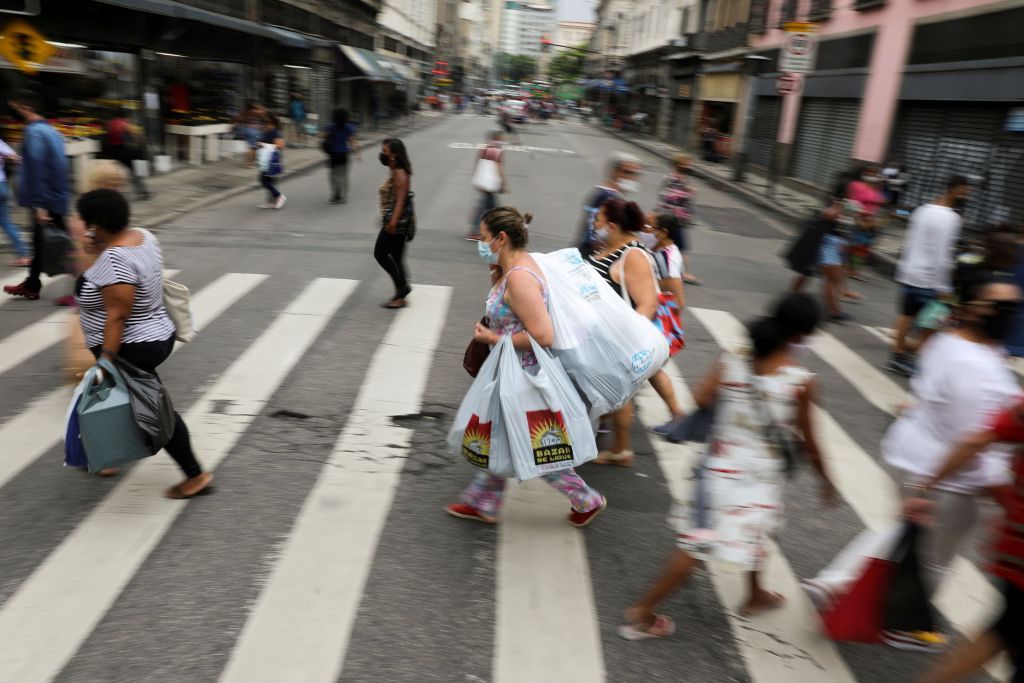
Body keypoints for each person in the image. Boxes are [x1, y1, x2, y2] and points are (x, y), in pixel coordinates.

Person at [619, 293, 834, 639]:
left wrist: (739, 399)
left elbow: (702, 398)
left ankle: (755, 593)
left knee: (758, 530)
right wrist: (827, 482)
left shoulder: (735, 357)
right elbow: (811, 442)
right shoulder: (800, 382)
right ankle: (644, 610)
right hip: (753, 480)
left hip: (717, 471)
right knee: (697, 547)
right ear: (801, 336)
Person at [880, 277, 1021, 650]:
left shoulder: (952, 341)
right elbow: (973, 441)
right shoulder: (979, 367)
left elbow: (928, 394)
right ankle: (903, 625)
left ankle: (842, 588)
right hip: (947, 478)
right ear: (975, 308)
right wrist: (1006, 500)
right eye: (1002, 307)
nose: (1010, 315)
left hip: (916, 458)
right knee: (934, 557)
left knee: (912, 541)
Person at [445, 206, 606, 526]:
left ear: (501, 238)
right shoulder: (514, 267)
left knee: (537, 447)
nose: (480, 242)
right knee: (500, 433)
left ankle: (586, 498)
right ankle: (484, 500)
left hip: (524, 374)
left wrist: (493, 336)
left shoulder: (520, 277)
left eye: (484, 237)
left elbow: (544, 334)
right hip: (511, 369)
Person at [74, 189, 213, 498]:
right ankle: (105, 457)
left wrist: (107, 359)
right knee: (118, 400)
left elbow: (118, 316)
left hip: (131, 345)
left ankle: (195, 475)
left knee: (154, 411)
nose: (85, 228)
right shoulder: (144, 237)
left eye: (88, 223)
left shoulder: (113, 258)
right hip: (155, 332)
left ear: (98, 223)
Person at [907, 399, 1024, 682]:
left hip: (1016, 546)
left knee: (1008, 630)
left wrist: (926, 485)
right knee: (1007, 630)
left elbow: (976, 440)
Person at [586, 198, 665, 466]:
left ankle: (620, 450)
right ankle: (615, 447)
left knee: (616, 392)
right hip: (595, 335)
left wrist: (626, 337)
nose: (594, 225)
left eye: (598, 220)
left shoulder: (633, 255)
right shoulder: (610, 247)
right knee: (612, 393)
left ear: (612, 224)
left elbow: (648, 303)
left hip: (614, 338)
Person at [887, 175, 971, 376]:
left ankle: (898, 355)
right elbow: (943, 254)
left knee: (906, 315)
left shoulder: (922, 210)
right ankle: (913, 353)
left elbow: (911, 240)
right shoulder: (952, 218)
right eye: (965, 193)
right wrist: (944, 285)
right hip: (929, 277)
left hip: (910, 270)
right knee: (936, 319)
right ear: (954, 190)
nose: (967, 197)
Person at [3, 90, 72, 302]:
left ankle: (84, 289)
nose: (13, 112)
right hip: (56, 196)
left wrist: (40, 205)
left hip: (47, 199)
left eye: (15, 108)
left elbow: (39, 168)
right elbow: (59, 166)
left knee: (67, 247)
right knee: (43, 242)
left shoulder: (34, 133)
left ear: (26, 107)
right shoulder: (51, 131)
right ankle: (32, 284)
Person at [641, 211, 687, 433]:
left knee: (652, 368)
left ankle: (678, 414)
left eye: (650, 227)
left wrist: (662, 325)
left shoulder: (667, 256)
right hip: (653, 317)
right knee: (649, 368)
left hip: (657, 319)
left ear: (663, 232)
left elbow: (678, 299)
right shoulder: (660, 250)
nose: (646, 231)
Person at [578, 152, 641, 257]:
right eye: (628, 172)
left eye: (635, 174)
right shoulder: (606, 196)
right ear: (614, 173)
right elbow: (591, 229)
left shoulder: (611, 195)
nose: (633, 178)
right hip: (591, 255)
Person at [376, 138, 413, 309]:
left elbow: (400, 200)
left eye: (385, 151)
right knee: (397, 258)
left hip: (396, 224)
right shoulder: (396, 170)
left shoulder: (399, 173)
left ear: (393, 155)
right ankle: (401, 293)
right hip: (397, 221)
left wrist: (392, 222)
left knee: (380, 254)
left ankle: (402, 289)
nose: (382, 154)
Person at [657, 152, 701, 285]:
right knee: (680, 247)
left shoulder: (682, 179)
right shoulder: (673, 178)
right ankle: (684, 273)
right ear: (678, 164)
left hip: (678, 219)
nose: (689, 166)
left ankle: (671, 270)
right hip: (673, 219)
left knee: (669, 245)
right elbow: (669, 196)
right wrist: (688, 192)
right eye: (686, 163)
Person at [844, 165, 886, 283]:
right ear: (865, 173)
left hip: (872, 223)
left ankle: (854, 270)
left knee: (864, 249)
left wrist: (877, 219)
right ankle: (851, 270)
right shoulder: (856, 185)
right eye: (872, 173)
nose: (875, 176)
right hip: (859, 220)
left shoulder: (877, 189)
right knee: (856, 246)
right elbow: (850, 203)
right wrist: (859, 218)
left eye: (877, 174)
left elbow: (881, 204)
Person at [466, 130, 508, 241]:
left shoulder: (484, 149)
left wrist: (476, 178)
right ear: (496, 140)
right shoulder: (497, 151)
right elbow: (499, 169)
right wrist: (503, 183)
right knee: (488, 209)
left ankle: (489, 231)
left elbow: (477, 164)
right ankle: (475, 232)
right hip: (490, 184)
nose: (503, 141)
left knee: (489, 208)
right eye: (501, 139)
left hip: (483, 183)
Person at [101, 108, 150, 201]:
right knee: (135, 172)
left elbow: (107, 137)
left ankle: (118, 194)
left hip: (114, 152)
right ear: (124, 115)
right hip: (127, 152)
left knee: (118, 174)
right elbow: (139, 137)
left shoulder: (110, 124)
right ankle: (142, 192)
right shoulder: (126, 123)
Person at [0, 135, 29, 266]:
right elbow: (17, 158)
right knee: (6, 222)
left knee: (6, 222)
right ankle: (23, 255)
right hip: (2, 186)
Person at [323, 108, 361, 204]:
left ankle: (335, 194)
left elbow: (322, 136)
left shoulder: (331, 127)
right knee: (344, 176)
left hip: (333, 154)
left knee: (333, 175)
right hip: (344, 154)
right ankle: (344, 197)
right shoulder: (349, 127)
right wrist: (357, 154)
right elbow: (352, 142)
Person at [257, 115, 286, 210]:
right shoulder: (268, 132)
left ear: (272, 124)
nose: (265, 125)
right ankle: (271, 201)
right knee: (267, 180)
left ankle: (279, 197)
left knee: (265, 180)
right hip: (265, 160)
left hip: (271, 160)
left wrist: (264, 145)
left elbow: (280, 145)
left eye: (267, 123)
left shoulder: (275, 133)